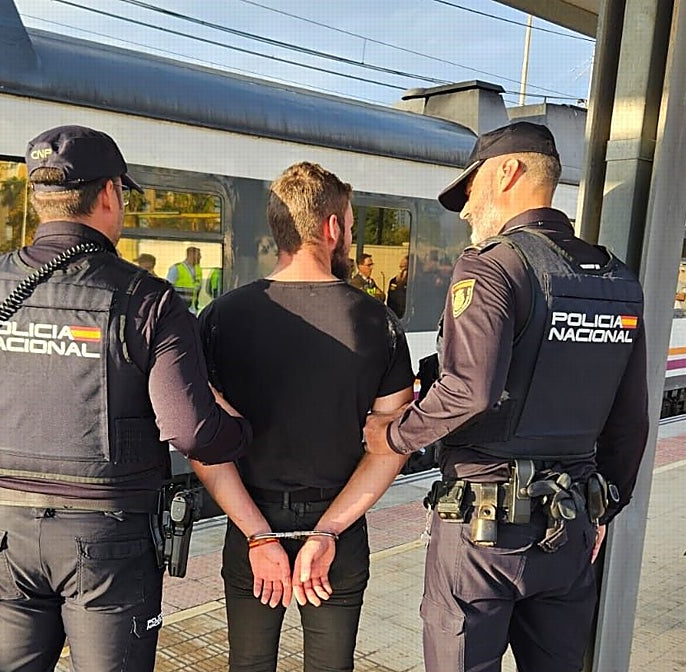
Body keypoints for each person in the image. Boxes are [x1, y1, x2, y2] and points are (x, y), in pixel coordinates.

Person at [0, 125, 251, 672]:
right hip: (109, 541)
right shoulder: (149, 300)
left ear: (37, 200)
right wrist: (243, 427)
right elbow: (193, 432)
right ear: (108, 195)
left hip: (2, 530)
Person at [363, 121, 650, 672]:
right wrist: (605, 504)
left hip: (484, 532)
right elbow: (630, 413)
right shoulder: (619, 280)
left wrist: (392, 436)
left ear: (509, 172)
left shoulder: (493, 267)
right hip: (571, 526)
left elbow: (469, 391)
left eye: (471, 189)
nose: (467, 209)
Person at [195, 162, 415, 672]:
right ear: (332, 228)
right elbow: (391, 444)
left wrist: (258, 535)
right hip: (339, 527)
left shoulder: (221, 318)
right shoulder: (376, 321)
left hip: (250, 520)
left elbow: (200, 442)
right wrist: (329, 532)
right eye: (352, 226)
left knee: (247, 664)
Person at [167, 246, 202, 311]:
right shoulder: (176, 268)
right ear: (191, 255)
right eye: (198, 255)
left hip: (193, 307)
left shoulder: (198, 269)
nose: (200, 257)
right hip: (178, 307)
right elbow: (168, 287)